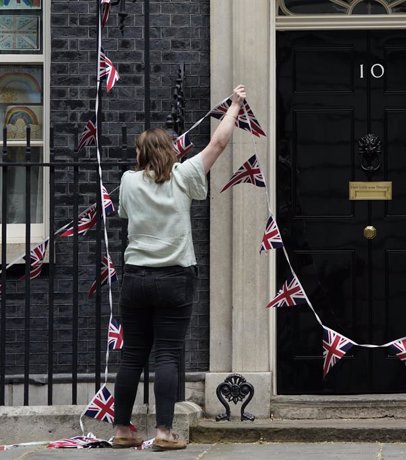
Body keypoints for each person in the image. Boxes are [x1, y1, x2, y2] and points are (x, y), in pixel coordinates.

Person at [111, 85, 247, 450]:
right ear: (170, 151)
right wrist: (234, 106)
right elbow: (217, 145)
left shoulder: (127, 181)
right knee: (168, 353)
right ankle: (164, 432)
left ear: (140, 154)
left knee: (133, 353)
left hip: (136, 276)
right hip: (175, 277)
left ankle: (122, 429)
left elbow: (124, 214)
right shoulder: (184, 175)